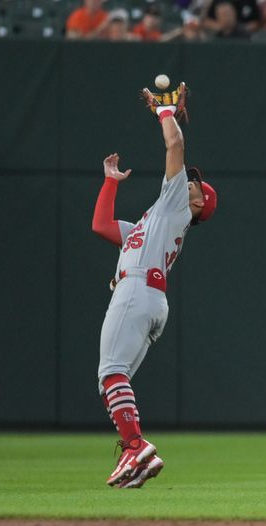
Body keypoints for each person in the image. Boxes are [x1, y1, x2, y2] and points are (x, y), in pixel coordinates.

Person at [91, 83, 217, 489]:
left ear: (197, 203)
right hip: (148, 295)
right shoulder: (156, 220)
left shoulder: (177, 204)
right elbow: (102, 226)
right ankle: (139, 458)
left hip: (137, 290)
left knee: (111, 372)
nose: (190, 182)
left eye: (195, 185)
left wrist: (165, 113)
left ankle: (134, 446)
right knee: (116, 376)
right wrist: (110, 182)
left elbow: (175, 146)